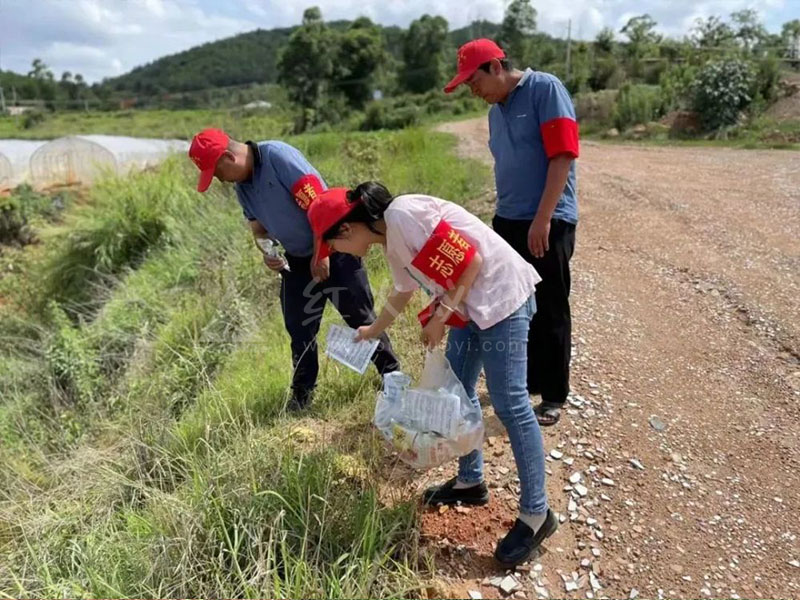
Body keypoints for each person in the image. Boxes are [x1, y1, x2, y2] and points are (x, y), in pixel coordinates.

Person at [308, 182, 557, 567]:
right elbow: (403, 291)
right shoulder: (391, 239)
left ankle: (537, 513)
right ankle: (471, 482)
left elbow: (471, 261)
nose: (337, 254)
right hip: (470, 306)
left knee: (511, 404)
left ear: (345, 230)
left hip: (501, 298)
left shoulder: (403, 216)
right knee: (456, 392)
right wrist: (372, 332)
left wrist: (440, 318)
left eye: (332, 247)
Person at [188, 129, 399, 410]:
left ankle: (392, 376)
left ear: (228, 156)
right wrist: (267, 252)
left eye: (216, 172)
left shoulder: (278, 157)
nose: (219, 180)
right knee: (299, 328)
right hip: (296, 261)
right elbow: (258, 229)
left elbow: (320, 206)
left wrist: (322, 252)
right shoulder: (243, 188)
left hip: (335, 250)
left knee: (358, 315)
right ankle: (302, 395)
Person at [444, 39, 580, 427]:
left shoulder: (545, 90)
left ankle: (553, 393)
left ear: (495, 67)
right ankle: (525, 382)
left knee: (550, 304)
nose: (475, 92)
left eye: (475, 83)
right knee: (516, 305)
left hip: (547, 220)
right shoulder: (496, 112)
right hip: (508, 220)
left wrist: (543, 218)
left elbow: (563, 155)